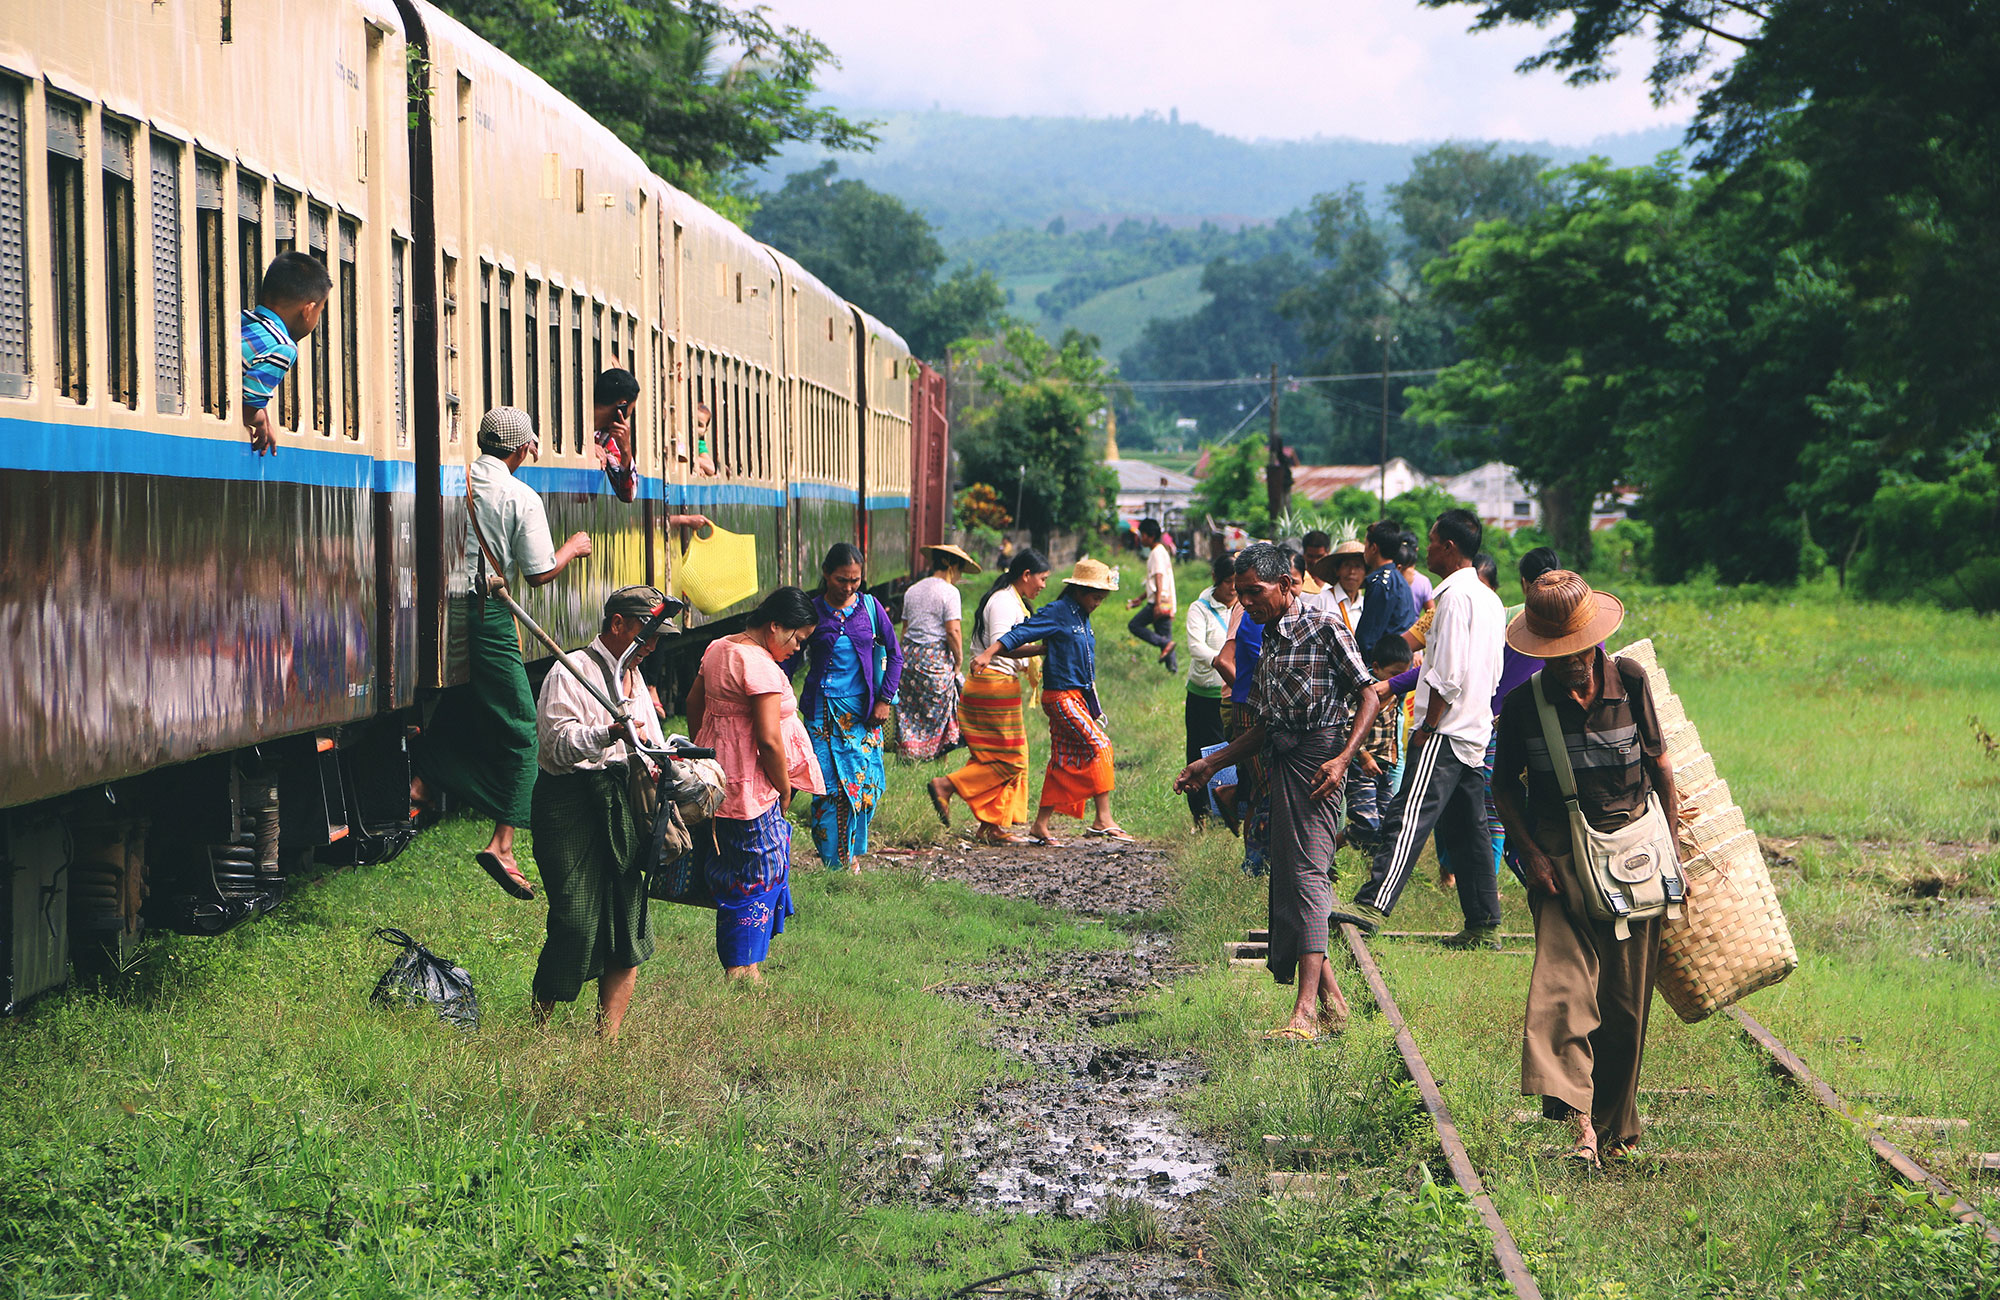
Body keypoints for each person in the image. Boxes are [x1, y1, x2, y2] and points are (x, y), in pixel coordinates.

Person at [1493, 570, 1678, 1167]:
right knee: (1562, 992)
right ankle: (1581, 1129)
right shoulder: (1524, 705)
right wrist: (1532, 856)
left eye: (1578, 650)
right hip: (1560, 863)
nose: (1572, 663)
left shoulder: (1629, 680)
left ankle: (1615, 1126)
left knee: (1625, 1007)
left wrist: (1673, 857)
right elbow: (1501, 790)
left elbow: (1662, 772)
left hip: (1633, 861)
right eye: (1557, 654)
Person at [1176, 543, 1382, 1040]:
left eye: (1256, 592)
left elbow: (1370, 694)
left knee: (1309, 877)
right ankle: (1333, 1002)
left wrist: (1343, 758)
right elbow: (1263, 727)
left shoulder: (1325, 625)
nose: (1247, 602)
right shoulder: (1266, 636)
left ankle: (1305, 1013)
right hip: (1281, 762)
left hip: (1320, 764)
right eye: (1241, 594)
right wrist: (1210, 763)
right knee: (1288, 878)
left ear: (1288, 584)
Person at [413, 407, 593, 900]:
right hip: (487, 613)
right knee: (522, 726)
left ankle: (425, 781)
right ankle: (503, 843)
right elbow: (537, 574)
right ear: (520, 449)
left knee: (465, 701)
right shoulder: (521, 496)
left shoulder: (456, 477)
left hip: (440, 607)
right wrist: (572, 549)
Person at [1332, 509, 1507, 946]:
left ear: (1448, 547)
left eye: (1430, 542)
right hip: (1474, 728)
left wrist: (1428, 725)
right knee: (1470, 829)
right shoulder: (1489, 598)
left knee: (1407, 816)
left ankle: (1370, 907)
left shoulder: (1453, 598)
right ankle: (1483, 924)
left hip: (1444, 729)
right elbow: (1493, 669)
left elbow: (1446, 671)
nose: (1422, 549)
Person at [528, 585, 672, 1038]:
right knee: (573, 918)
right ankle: (538, 1029)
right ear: (616, 625)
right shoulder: (569, 672)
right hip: (570, 804)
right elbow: (556, 746)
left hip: (624, 803)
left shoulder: (634, 679)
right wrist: (609, 732)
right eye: (645, 634)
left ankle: (605, 1041)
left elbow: (650, 742)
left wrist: (660, 758)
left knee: (628, 918)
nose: (651, 646)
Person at [687, 587, 825, 980]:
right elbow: (768, 738)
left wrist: (707, 749)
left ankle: (748, 966)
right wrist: (783, 787)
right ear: (775, 626)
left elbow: (694, 702)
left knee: (737, 867)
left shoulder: (718, 647)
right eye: (796, 638)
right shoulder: (759, 664)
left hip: (716, 780)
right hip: (750, 787)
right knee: (756, 873)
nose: (797, 648)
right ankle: (741, 969)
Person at [972, 557, 1127, 845]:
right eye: (1096, 597)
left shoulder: (1081, 613)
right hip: (1059, 696)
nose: (1098, 603)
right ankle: (1102, 819)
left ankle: (1040, 825)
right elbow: (1020, 633)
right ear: (1079, 590)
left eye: (1102, 598)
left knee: (1061, 760)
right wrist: (988, 653)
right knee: (1101, 746)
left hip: (1078, 696)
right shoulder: (1059, 612)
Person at [783, 544, 903, 873]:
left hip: (864, 713)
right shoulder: (812, 611)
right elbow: (789, 658)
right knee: (828, 789)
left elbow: (895, 655)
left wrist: (884, 699)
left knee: (866, 786)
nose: (849, 587)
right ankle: (836, 862)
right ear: (825, 574)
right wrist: (780, 701)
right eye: (841, 579)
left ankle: (853, 849)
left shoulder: (871, 608)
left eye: (855, 580)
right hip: (822, 714)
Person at [930, 548, 1052, 845]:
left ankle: (992, 825)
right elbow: (1001, 646)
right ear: (1026, 575)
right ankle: (946, 785)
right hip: (992, 686)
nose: (1044, 585)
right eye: (1042, 578)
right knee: (1012, 760)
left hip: (1000, 686)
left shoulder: (1012, 600)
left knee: (995, 757)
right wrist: (1041, 648)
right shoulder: (1003, 602)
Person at [239, 252, 330, 456]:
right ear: (308, 310)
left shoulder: (244, 320)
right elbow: (246, 409)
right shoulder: (282, 347)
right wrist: (261, 421)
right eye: (320, 311)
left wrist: (262, 412)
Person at [896, 544, 981, 760]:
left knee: (910, 708)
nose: (960, 574)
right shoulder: (950, 592)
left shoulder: (912, 590)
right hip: (934, 658)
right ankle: (937, 756)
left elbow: (905, 629)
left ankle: (909, 753)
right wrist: (959, 660)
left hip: (909, 657)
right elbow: (952, 631)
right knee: (939, 710)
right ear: (951, 565)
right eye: (960, 569)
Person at [1216, 586, 1268, 873]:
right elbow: (1222, 660)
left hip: (1260, 709)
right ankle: (1255, 864)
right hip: (1250, 710)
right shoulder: (1249, 613)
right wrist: (1249, 697)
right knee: (1260, 792)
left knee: (1255, 788)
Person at [1182, 556, 1237, 828]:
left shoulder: (1243, 607)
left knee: (1227, 752)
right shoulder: (1200, 608)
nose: (1234, 588)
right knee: (1198, 753)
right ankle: (1200, 813)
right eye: (1229, 582)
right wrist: (1221, 662)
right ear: (1217, 579)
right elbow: (1196, 647)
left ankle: (1225, 810)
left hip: (1232, 694)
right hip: (1204, 693)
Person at [1346, 634, 1412, 855]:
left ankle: (1372, 876)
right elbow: (1347, 726)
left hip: (1383, 768)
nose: (1400, 680)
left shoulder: (1394, 693)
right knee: (1367, 823)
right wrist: (1363, 757)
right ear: (1375, 667)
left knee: (1386, 828)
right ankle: (1338, 840)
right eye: (1394, 674)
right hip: (1359, 766)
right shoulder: (1365, 693)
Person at [1352, 520, 1417, 661]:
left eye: (1366, 545)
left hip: (1382, 666)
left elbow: (1367, 638)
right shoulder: (1399, 579)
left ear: (1374, 548)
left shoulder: (1380, 583)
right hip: (1399, 661)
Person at [1126, 518, 1178, 671]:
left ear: (1151, 536)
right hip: (1165, 600)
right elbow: (1155, 583)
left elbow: (1159, 577)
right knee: (1166, 637)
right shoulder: (1161, 551)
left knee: (1134, 625)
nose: (1141, 539)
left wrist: (1156, 604)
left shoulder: (1156, 553)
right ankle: (1172, 670)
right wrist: (1141, 598)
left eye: (1143, 535)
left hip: (1159, 601)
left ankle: (1163, 645)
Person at [1400, 531, 1435, 612]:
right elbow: (1431, 613)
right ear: (1416, 550)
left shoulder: (1388, 577)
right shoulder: (1423, 582)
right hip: (1415, 624)